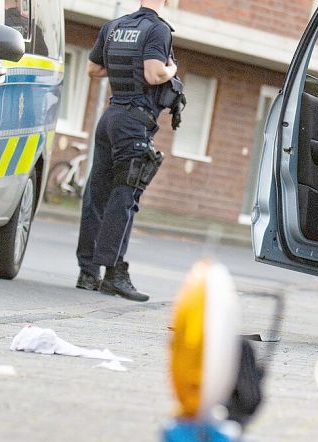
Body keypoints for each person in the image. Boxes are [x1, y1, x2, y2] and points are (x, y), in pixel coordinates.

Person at [75, 0, 184, 301]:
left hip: (109, 118)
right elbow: (153, 74)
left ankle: (87, 273)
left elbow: (93, 69)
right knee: (125, 196)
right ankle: (113, 273)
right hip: (134, 122)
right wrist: (172, 68)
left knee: (97, 193)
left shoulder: (115, 27)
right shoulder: (158, 30)